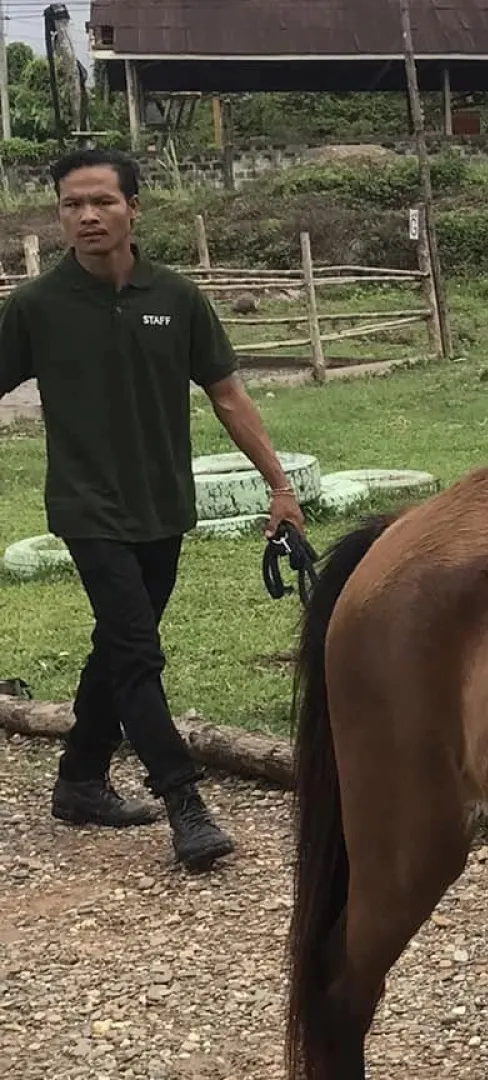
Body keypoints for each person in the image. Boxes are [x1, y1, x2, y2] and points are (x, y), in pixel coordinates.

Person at [0, 147, 307, 873]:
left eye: (102, 201)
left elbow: (228, 394)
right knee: (137, 651)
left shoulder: (177, 298)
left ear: (133, 208)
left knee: (118, 646)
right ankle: (183, 800)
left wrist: (280, 487)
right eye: (72, 204)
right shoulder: (37, 307)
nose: (87, 216)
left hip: (164, 505)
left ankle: (80, 780)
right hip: (86, 508)